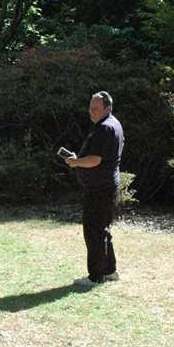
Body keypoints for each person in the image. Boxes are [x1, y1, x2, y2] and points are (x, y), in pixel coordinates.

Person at [64, 91, 124, 287]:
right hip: (106, 185)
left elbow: (95, 160)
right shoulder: (113, 124)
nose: (92, 112)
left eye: (96, 109)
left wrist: (75, 162)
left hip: (100, 187)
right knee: (102, 229)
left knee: (93, 230)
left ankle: (96, 276)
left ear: (108, 108)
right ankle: (109, 271)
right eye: (90, 108)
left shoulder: (105, 128)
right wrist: (78, 160)